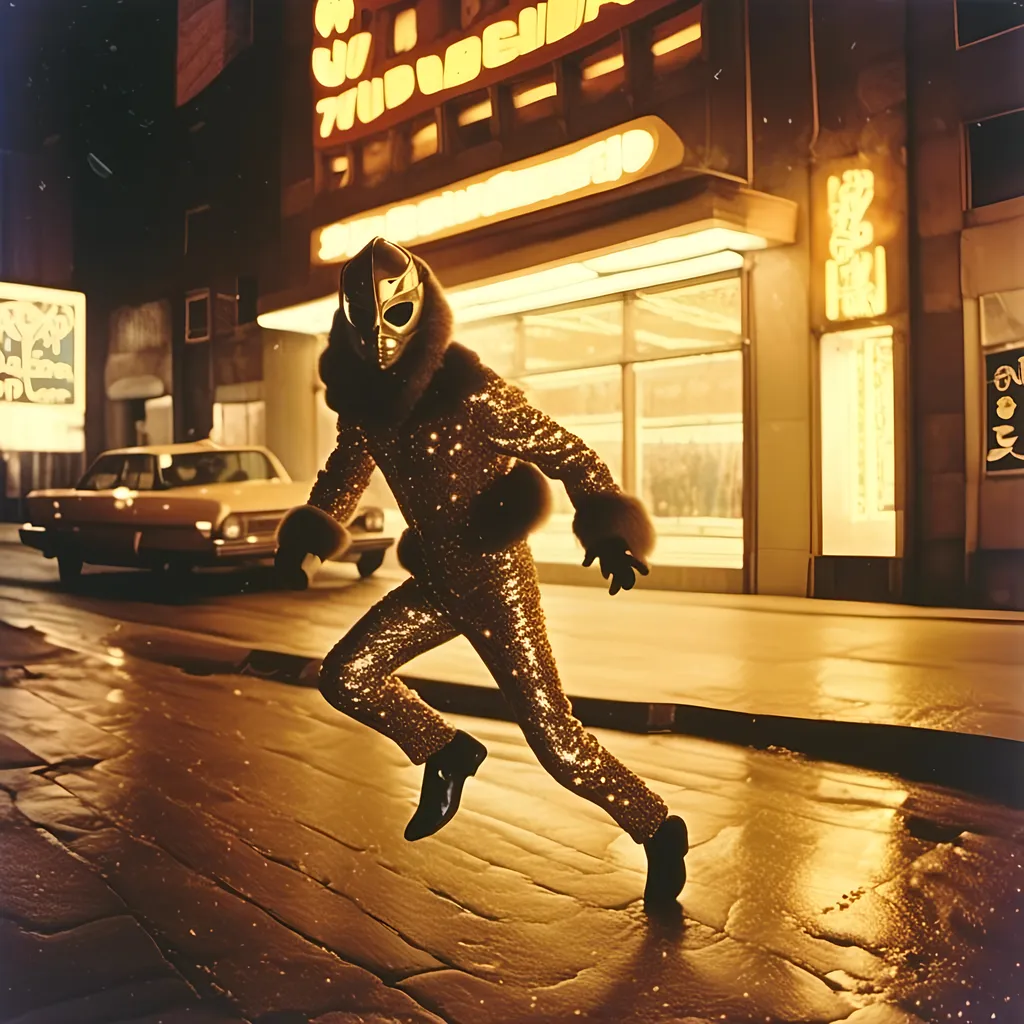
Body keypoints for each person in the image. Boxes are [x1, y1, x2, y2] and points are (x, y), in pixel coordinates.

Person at [275, 238, 688, 908]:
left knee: (558, 743)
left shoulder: (475, 394)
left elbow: (570, 453)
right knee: (346, 675)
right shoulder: (366, 408)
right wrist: (309, 536)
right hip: (436, 582)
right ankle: (445, 752)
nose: (381, 339)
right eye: (367, 324)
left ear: (420, 310)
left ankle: (658, 828)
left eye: (395, 319)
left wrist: (611, 531)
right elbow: (345, 473)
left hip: (498, 584)